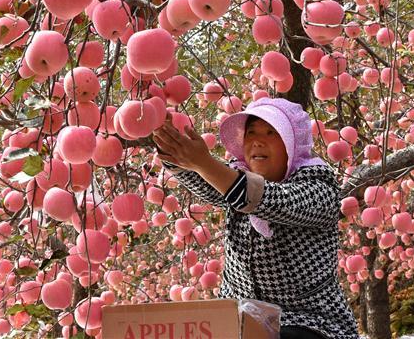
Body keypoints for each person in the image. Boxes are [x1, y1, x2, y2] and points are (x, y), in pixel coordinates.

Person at [153, 97, 360, 339]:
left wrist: (204, 162)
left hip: (309, 322)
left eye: (271, 133)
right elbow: (213, 184)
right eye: (251, 133)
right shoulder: (236, 180)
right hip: (239, 319)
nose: (258, 141)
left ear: (291, 144)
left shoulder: (318, 189)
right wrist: (172, 150)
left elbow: (272, 200)